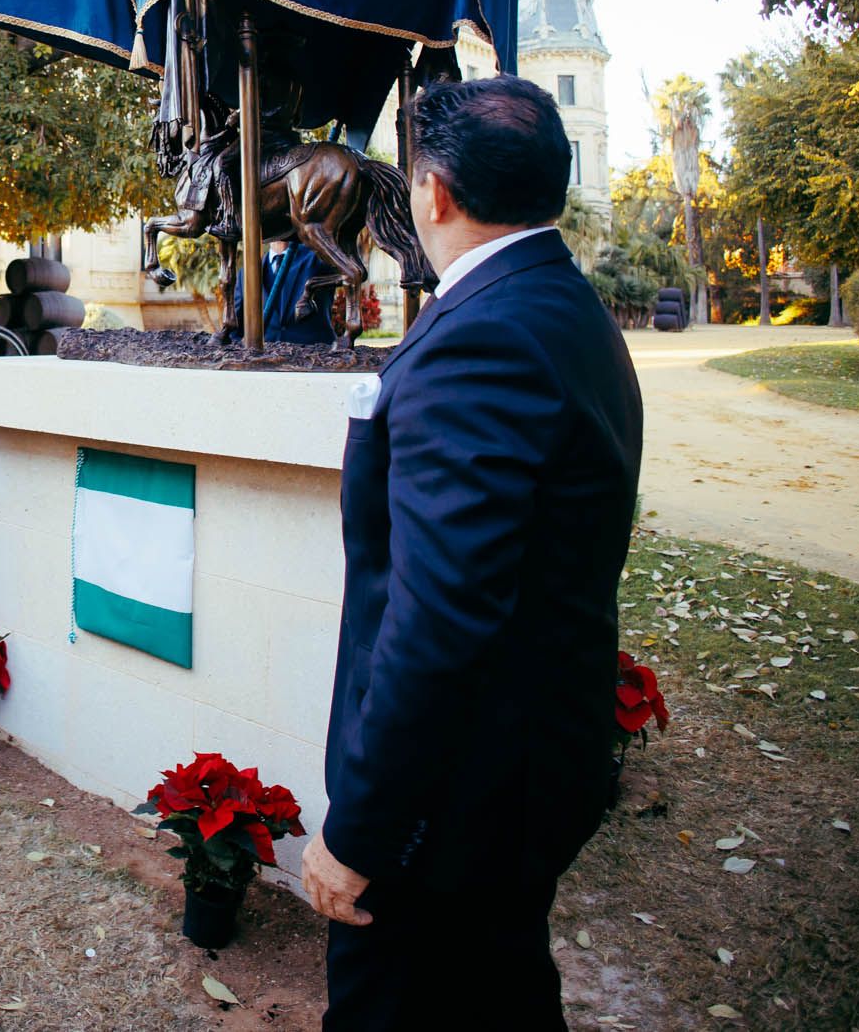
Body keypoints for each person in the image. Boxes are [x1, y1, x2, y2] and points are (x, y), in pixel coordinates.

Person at [298, 77, 642, 1031]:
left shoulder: (483, 338)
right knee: (498, 995)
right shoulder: (558, 305)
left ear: (434, 194)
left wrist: (363, 827)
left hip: (456, 796)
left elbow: (440, 620)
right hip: (527, 763)